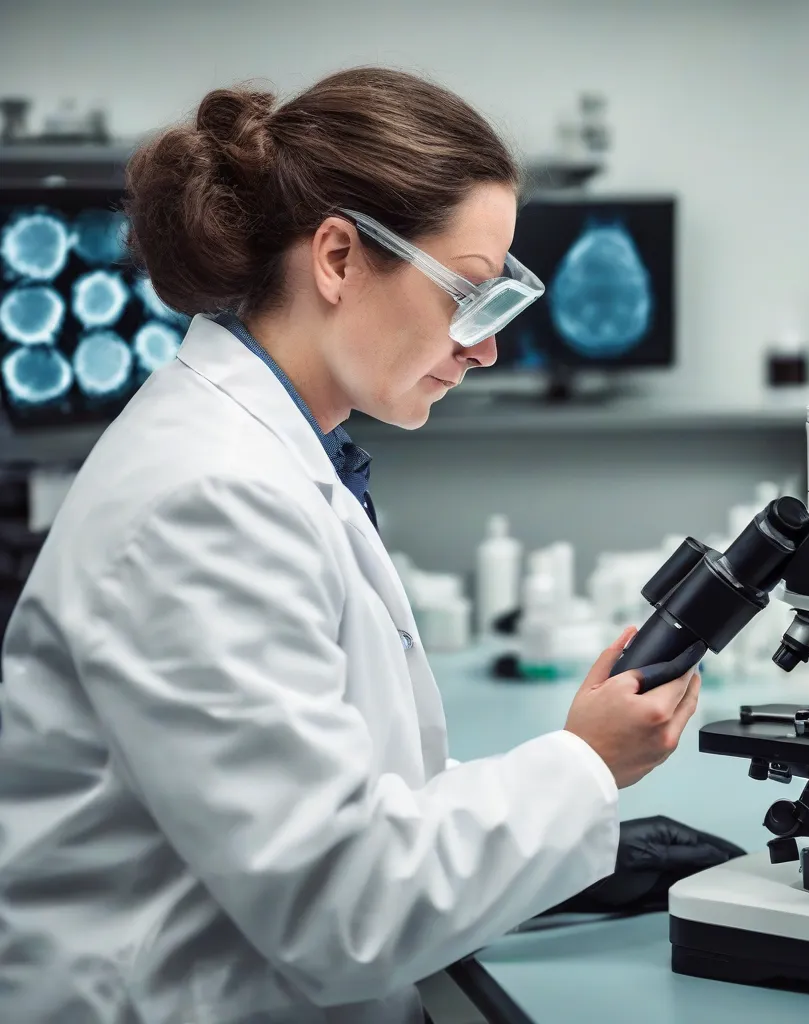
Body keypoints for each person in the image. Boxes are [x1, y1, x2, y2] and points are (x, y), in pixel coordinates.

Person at [0, 68, 700, 1024]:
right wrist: (585, 767)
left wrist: (566, 772)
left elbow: (355, 799)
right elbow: (342, 909)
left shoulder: (276, 460)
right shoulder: (208, 500)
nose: (485, 349)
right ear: (337, 256)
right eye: (471, 295)